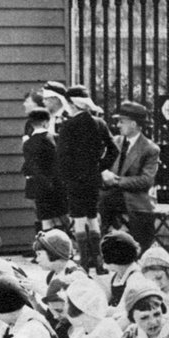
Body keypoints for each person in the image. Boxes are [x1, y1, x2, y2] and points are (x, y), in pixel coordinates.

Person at [55, 83, 116, 274]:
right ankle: (98, 263)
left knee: (79, 220)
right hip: (92, 179)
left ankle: (83, 263)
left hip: (74, 180)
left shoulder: (68, 126)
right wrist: (100, 166)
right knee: (92, 218)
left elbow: (62, 157)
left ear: (72, 104)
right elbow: (114, 149)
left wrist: (64, 179)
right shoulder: (99, 123)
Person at [100, 100, 161, 251]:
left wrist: (115, 181)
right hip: (110, 196)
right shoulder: (115, 142)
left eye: (121, 121)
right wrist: (103, 173)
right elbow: (102, 166)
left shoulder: (150, 149)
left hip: (135, 198)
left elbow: (146, 181)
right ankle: (99, 252)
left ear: (133, 124)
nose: (118, 125)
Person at [22, 107, 67, 231]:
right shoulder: (55, 139)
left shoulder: (28, 144)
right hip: (58, 185)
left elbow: (30, 166)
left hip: (40, 187)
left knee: (46, 221)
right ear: (45, 122)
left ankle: (48, 247)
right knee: (60, 220)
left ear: (31, 124)